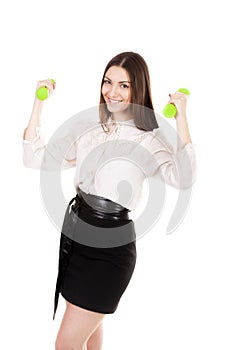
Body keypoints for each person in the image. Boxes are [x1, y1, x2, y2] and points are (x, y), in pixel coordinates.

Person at [23, 51, 196, 350]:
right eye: (108, 82)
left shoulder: (150, 139)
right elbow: (35, 157)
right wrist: (38, 103)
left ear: (138, 88)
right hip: (77, 238)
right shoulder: (91, 128)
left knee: (66, 343)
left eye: (124, 85)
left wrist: (181, 118)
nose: (112, 92)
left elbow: (184, 178)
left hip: (110, 251)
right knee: (90, 338)